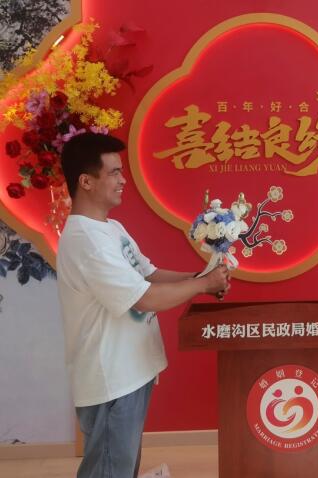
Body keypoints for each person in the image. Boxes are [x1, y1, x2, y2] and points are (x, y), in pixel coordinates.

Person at [57, 132, 230, 478]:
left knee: (121, 467)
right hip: (111, 380)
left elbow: (148, 275)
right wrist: (203, 284)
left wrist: (201, 276)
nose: (123, 180)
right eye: (114, 173)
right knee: (109, 470)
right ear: (86, 182)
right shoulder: (86, 240)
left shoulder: (111, 228)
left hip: (131, 372)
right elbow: (145, 297)